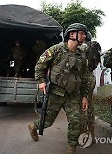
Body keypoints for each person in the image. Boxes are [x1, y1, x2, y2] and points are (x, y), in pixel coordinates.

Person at [28, 23, 90, 153]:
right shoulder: (57, 49)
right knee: (47, 122)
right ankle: (34, 126)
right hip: (55, 92)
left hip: (73, 95)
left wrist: (84, 96)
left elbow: (84, 77)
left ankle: (71, 148)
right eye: (82, 33)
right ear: (72, 34)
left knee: (76, 122)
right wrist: (41, 81)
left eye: (84, 33)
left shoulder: (82, 56)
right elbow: (40, 65)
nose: (84, 36)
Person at [80, 32, 101, 143]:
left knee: (82, 106)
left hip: (82, 78)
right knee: (90, 104)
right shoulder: (94, 46)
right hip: (91, 77)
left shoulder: (82, 47)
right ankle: (92, 135)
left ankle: (84, 135)